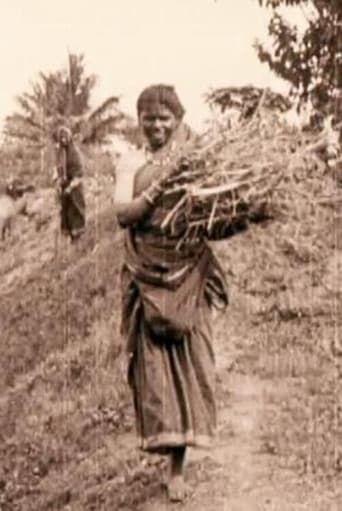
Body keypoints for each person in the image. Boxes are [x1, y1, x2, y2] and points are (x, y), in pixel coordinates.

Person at [114, 85, 229, 503]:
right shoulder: (131, 162)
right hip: (147, 279)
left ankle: (178, 468)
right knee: (156, 372)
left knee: (189, 366)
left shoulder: (191, 161)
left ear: (178, 120)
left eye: (165, 118)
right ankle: (166, 453)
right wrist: (156, 190)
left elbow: (213, 217)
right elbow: (122, 213)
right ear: (139, 120)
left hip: (187, 278)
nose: (157, 125)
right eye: (149, 117)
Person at [54, 126, 86, 241]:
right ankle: (70, 237)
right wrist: (58, 182)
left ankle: (78, 237)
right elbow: (58, 169)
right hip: (64, 186)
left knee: (75, 210)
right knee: (65, 211)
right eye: (61, 138)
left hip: (75, 187)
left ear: (69, 137)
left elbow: (79, 173)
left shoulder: (75, 153)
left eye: (65, 137)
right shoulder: (61, 153)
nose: (63, 140)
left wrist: (71, 187)